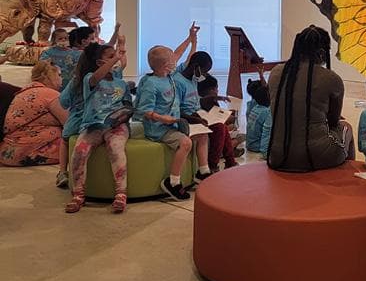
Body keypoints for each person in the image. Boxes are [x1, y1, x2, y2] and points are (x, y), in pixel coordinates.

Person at [267, 26, 355, 172]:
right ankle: (347, 179)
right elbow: (333, 122)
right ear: (322, 53)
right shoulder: (331, 78)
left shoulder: (276, 72)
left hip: (278, 155)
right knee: (346, 127)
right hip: (314, 157)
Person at [134, 45, 211, 200]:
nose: (176, 60)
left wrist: (192, 39)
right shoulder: (151, 84)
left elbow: (184, 55)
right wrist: (163, 118)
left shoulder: (170, 76)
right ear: (164, 65)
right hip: (159, 128)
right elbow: (145, 110)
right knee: (186, 143)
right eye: (172, 59)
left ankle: (203, 172)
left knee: (203, 135)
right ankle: (173, 181)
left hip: (175, 124)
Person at [64, 42, 132, 213]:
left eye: (115, 57)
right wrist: (116, 56)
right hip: (92, 125)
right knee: (80, 151)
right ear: (99, 63)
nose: (115, 60)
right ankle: (78, 194)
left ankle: (121, 193)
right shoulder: (90, 79)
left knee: (116, 149)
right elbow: (96, 78)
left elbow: (128, 106)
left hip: (116, 126)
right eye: (110, 57)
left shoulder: (121, 84)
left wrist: (124, 116)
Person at [0, 61, 68, 166]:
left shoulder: (24, 92)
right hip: (27, 151)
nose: (61, 79)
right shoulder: (49, 94)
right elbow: (69, 123)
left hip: (7, 152)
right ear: (49, 76)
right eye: (59, 75)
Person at [199, 74, 241, 169]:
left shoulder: (205, 100)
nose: (217, 91)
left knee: (225, 128)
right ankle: (222, 162)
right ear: (212, 90)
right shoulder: (208, 101)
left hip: (215, 126)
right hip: (212, 128)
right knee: (223, 128)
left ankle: (230, 160)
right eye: (217, 89)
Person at [39, 27, 92, 91]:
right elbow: (43, 63)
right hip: (53, 82)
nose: (63, 40)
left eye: (66, 38)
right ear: (54, 40)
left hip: (70, 84)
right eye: (60, 38)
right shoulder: (48, 52)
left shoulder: (76, 53)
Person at [245, 75, 272, 159]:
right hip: (258, 146)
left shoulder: (254, 107)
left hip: (249, 144)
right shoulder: (266, 112)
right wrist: (265, 153)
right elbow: (266, 134)